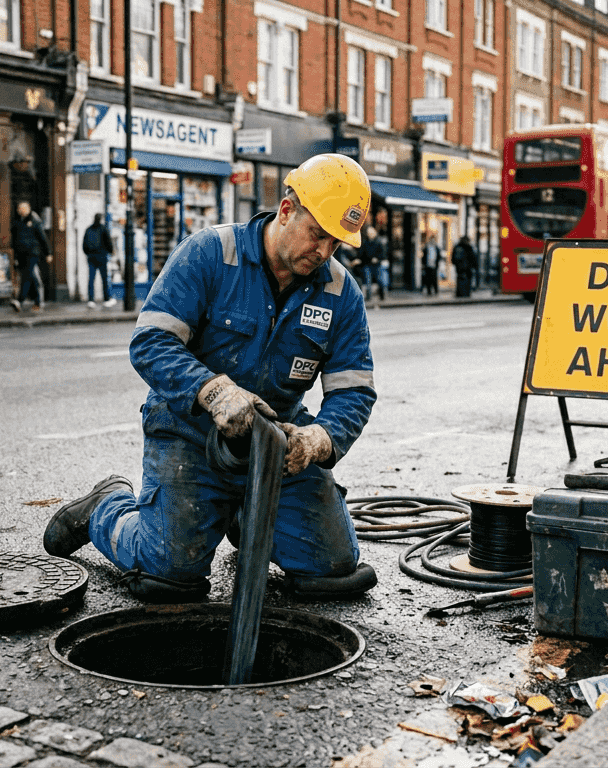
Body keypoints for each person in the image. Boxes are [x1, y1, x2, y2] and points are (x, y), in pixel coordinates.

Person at [41, 153, 379, 603]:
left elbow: (354, 389)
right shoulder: (209, 254)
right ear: (286, 210)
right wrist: (213, 390)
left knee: (333, 569)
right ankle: (106, 507)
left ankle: (242, 515)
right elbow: (151, 343)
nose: (323, 252)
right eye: (317, 234)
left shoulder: (341, 293)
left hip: (275, 441)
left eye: (336, 243)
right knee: (168, 575)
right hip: (190, 433)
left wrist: (319, 439)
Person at [11, 200, 51, 312]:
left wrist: (48, 253)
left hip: (32, 253)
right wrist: (15, 256)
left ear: (28, 208)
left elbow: (42, 237)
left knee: (26, 276)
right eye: (19, 208)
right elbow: (15, 240)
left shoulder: (34, 220)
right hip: (21, 254)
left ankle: (20, 300)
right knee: (32, 277)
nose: (20, 210)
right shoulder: (17, 222)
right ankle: (38, 301)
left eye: (23, 208)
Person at [82, 213, 115, 307]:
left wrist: (88, 253)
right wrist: (111, 251)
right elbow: (108, 242)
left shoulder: (88, 229)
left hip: (91, 257)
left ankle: (91, 300)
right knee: (104, 278)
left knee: (91, 278)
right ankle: (107, 299)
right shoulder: (103, 228)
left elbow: (84, 245)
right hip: (101, 256)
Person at [358, 225, 386, 301]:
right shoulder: (365, 242)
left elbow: (383, 254)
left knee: (380, 280)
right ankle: (369, 297)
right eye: (368, 233)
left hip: (377, 265)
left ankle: (382, 295)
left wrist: (377, 259)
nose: (370, 234)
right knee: (368, 281)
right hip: (367, 264)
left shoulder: (379, 242)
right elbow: (361, 254)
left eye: (371, 232)